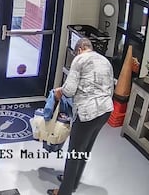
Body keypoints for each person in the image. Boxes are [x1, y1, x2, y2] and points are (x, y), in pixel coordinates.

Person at [47, 38, 114, 195]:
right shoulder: (105, 61)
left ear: (80, 49)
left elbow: (69, 90)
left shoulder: (80, 59)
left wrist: (59, 91)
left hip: (87, 113)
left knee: (74, 151)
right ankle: (73, 182)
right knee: (85, 149)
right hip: (105, 110)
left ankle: (64, 191)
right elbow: (110, 87)